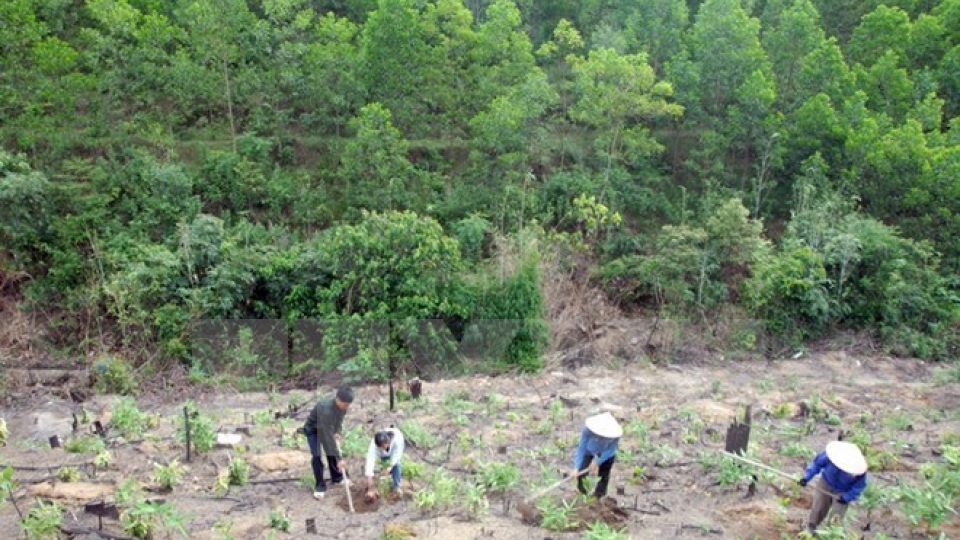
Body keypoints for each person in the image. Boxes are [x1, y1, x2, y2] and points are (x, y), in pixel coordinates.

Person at [799, 440, 868, 533]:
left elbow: (858, 487)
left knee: (837, 515)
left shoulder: (858, 469)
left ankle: (831, 534)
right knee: (818, 508)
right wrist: (806, 478)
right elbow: (817, 464)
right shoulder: (831, 456)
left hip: (843, 491)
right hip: (825, 482)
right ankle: (811, 529)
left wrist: (847, 497)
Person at [302, 386, 354, 499]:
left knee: (331, 453)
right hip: (313, 430)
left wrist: (337, 432)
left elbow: (339, 420)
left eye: (348, 405)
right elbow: (327, 436)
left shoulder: (343, 407)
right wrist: (339, 459)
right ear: (338, 400)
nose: (346, 407)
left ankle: (337, 477)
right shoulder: (325, 409)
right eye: (345, 405)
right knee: (316, 456)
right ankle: (320, 486)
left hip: (327, 428)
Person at [571, 411, 622, 499]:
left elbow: (610, 450)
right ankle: (582, 493)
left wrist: (597, 462)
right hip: (590, 449)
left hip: (606, 452)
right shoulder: (588, 431)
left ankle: (599, 495)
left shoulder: (614, 435)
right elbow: (582, 448)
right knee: (581, 471)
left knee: (604, 474)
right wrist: (576, 467)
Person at [364, 427, 405, 501]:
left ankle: (396, 487)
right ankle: (377, 485)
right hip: (383, 456)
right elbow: (369, 463)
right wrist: (370, 488)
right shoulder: (373, 446)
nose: (383, 448)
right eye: (381, 447)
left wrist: (389, 468)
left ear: (388, 441)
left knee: (397, 465)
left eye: (384, 446)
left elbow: (396, 456)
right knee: (379, 467)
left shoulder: (397, 439)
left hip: (394, 452)